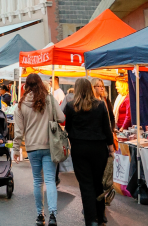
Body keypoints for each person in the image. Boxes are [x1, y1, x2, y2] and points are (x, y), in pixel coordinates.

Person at [13, 73, 64, 226]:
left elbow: (18, 131)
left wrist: (16, 150)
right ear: (41, 84)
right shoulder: (49, 99)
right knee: (50, 181)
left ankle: (39, 215)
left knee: (37, 181)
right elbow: (61, 118)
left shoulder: (21, 105)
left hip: (32, 147)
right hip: (49, 145)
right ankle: (53, 215)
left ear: (26, 86)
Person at [64, 78, 114, 226]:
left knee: (86, 185)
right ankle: (101, 217)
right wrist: (111, 149)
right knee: (99, 183)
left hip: (79, 149)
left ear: (77, 89)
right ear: (90, 88)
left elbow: (68, 128)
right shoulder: (100, 106)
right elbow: (107, 128)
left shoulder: (71, 106)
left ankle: (91, 219)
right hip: (99, 149)